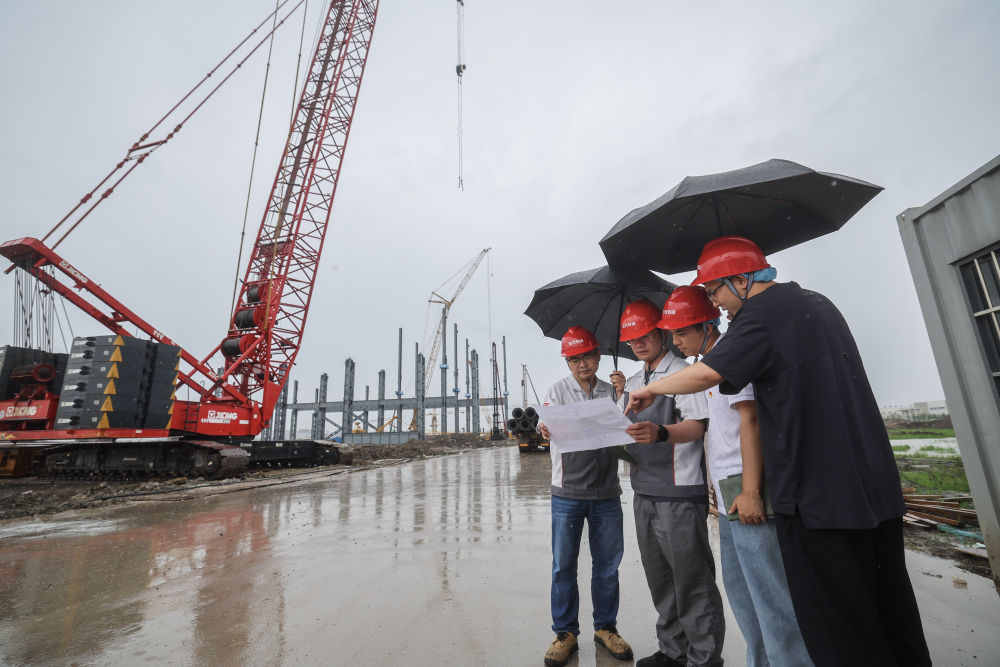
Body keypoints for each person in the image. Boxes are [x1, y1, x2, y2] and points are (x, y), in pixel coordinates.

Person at [627, 236, 930, 666]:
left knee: (836, 621)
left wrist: (652, 388)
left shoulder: (762, 315)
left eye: (714, 291)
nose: (717, 303)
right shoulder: (817, 304)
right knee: (888, 610)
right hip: (868, 483)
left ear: (741, 280)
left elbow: (712, 378)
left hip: (822, 492)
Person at [661, 285, 812, 667]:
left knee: (769, 595)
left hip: (746, 485)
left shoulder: (731, 358)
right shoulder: (710, 362)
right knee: (742, 592)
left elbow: (751, 421)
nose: (676, 341)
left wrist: (750, 490)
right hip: (728, 488)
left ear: (707, 325)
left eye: (682, 332)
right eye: (673, 334)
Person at [616, 300, 725, 667]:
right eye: (631, 339)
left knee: (692, 580)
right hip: (644, 490)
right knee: (661, 580)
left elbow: (698, 426)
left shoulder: (684, 373)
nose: (638, 344)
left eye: (644, 336)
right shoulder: (633, 382)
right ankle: (673, 652)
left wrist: (660, 432)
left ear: (660, 333)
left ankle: (704, 658)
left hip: (679, 492)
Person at [538, 325, 633, 666]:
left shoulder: (612, 390)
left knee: (607, 566)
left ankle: (606, 627)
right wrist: (543, 427)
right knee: (563, 565)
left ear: (598, 356)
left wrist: (624, 394)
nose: (582, 364)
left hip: (606, 491)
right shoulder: (557, 390)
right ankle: (565, 633)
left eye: (588, 357)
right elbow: (545, 423)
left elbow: (627, 429)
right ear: (567, 362)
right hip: (568, 492)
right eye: (574, 359)